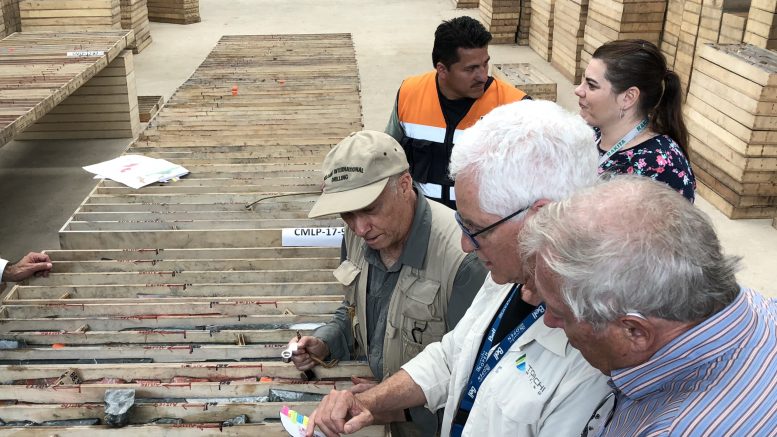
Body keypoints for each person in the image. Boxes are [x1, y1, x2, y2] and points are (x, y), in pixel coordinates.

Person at [305, 100, 611, 437]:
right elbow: (453, 355)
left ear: (539, 217)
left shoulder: (593, 357)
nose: (465, 244)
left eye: (477, 228)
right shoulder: (508, 273)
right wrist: (370, 402)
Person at [520, 176, 777, 436]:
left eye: (561, 314)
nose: (549, 321)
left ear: (635, 332)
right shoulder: (759, 310)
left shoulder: (671, 428)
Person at [290, 130, 488, 436]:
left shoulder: (463, 260)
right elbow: (357, 309)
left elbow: (472, 380)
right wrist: (325, 341)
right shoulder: (356, 236)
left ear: (404, 185)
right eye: (347, 214)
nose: (359, 227)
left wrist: (389, 400)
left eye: (369, 209)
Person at [385, 16, 529, 209]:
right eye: (471, 69)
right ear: (442, 70)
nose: (482, 76)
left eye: (485, 64)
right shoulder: (410, 93)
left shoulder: (515, 106)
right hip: (424, 220)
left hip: (485, 228)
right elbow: (386, 157)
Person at [575, 39, 695, 201]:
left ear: (628, 97)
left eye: (591, 85)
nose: (578, 90)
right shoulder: (591, 133)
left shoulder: (662, 167)